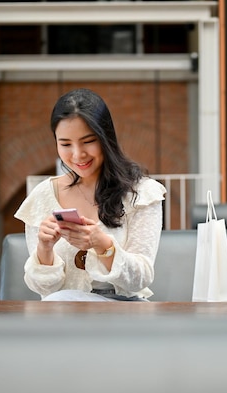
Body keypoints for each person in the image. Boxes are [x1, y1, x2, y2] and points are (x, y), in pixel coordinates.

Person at [14, 88, 166, 301]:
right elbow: (43, 289)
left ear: (106, 138)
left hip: (124, 311)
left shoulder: (141, 193)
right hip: (65, 312)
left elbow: (140, 279)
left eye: (87, 141)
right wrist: (44, 249)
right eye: (65, 144)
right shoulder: (43, 196)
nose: (77, 154)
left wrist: (103, 244)